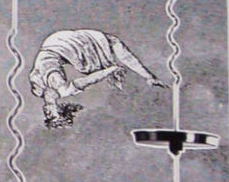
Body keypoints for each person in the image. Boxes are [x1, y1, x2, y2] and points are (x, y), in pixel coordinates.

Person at [29, 27, 162, 128]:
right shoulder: (61, 89)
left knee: (102, 54)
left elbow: (86, 80)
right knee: (105, 52)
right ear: (60, 109)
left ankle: (147, 77)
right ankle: (148, 77)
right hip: (59, 43)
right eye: (52, 115)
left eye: (48, 115)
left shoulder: (38, 89)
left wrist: (111, 69)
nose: (47, 113)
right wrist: (110, 70)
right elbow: (90, 80)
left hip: (58, 44)